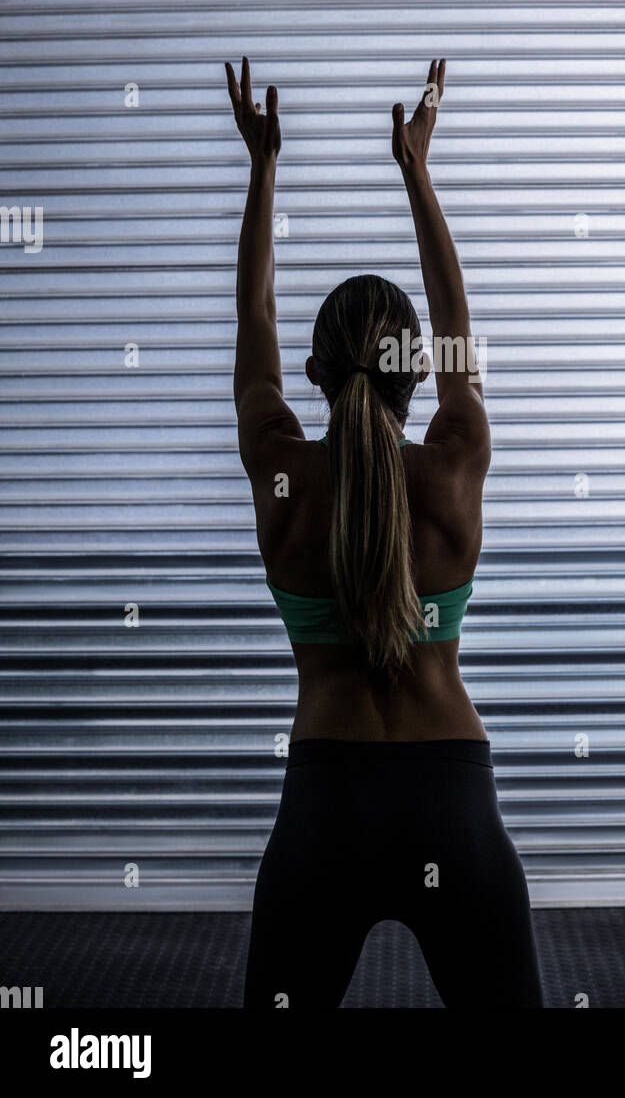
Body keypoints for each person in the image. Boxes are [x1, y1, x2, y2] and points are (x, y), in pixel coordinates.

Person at [225, 55, 543, 1009]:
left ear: (314, 375)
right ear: (417, 373)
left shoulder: (283, 473)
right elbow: (456, 322)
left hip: (327, 806)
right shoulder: (454, 460)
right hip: (451, 800)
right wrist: (417, 170)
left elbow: (253, 316)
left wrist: (262, 169)